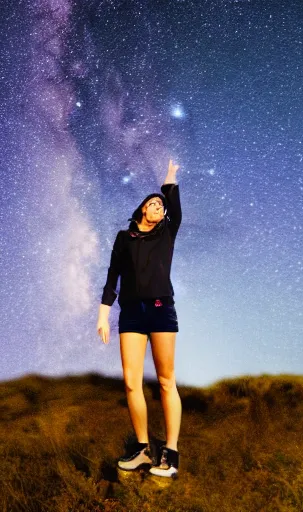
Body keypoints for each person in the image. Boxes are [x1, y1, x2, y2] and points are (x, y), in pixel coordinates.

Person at [96, 158, 182, 479]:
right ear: (142, 209)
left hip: (161, 308)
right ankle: (144, 450)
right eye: (153, 202)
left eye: (162, 204)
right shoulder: (123, 238)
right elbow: (112, 276)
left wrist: (169, 180)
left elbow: (175, 208)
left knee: (164, 381)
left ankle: (170, 456)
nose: (159, 206)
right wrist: (103, 314)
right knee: (132, 384)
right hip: (130, 313)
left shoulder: (167, 234)